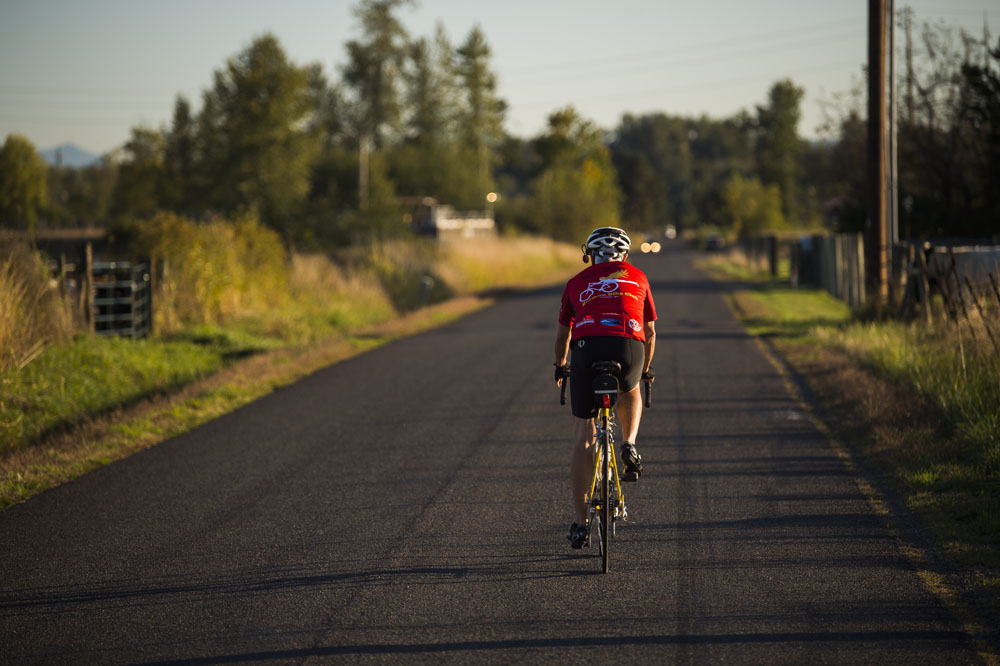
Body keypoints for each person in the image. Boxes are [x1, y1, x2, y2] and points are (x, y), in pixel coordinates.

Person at [553, 226, 656, 549]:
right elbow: (650, 332)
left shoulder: (576, 283)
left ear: (589, 255)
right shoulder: (638, 277)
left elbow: (562, 337)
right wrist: (646, 370)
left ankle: (581, 524)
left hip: (586, 348)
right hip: (628, 346)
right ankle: (629, 442)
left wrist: (560, 367)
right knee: (631, 388)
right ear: (624, 256)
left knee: (583, 432)